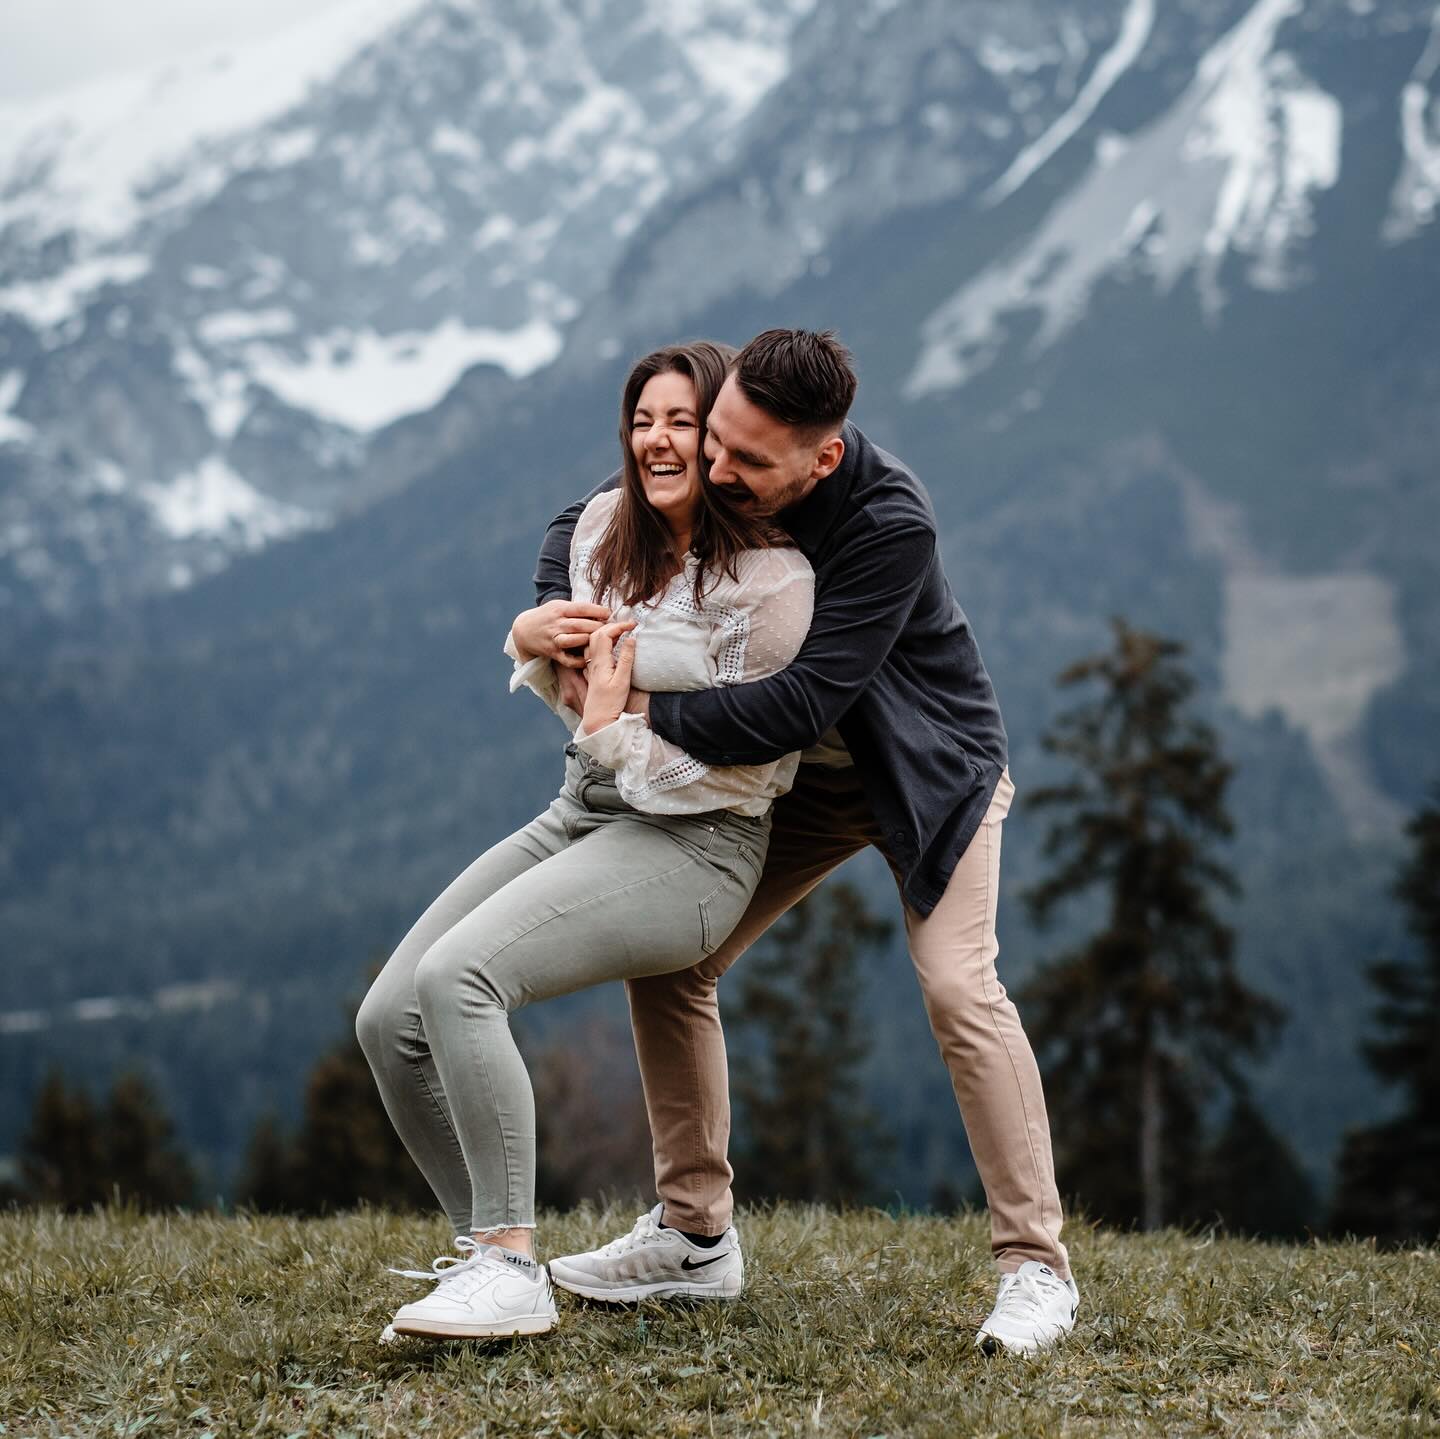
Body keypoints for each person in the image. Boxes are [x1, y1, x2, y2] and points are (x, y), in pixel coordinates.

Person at [537, 329, 1080, 1356]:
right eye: (716, 443)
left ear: (821, 459)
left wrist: (635, 708)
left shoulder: (887, 521)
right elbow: (586, 516)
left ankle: (1036, 1269)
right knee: (673, 949)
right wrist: (553, 625)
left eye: (748, 460)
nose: (717, 470)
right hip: (798, 784)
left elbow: (798, 702)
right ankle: (695, 1236)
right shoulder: (722, 454)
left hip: (926, 772)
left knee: (961, 987)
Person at [356, 340, 815, 1340]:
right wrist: (529, 642)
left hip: (699, 844)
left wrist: (615, 727)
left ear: (725, 441)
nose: (658, 438)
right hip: (583, 806)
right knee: (390, 1016)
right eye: (643, 419)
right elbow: (573, 686)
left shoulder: (774, 586)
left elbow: (740, 772)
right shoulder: (606, 529)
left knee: (462, 978)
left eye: (682, 421)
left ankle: (513, 1266)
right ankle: (482, 1248)